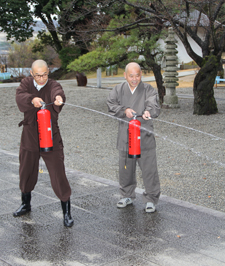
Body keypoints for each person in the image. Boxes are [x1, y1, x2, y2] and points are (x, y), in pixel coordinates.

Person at [13, 59, 74, 227]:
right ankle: (25, 203)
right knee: (26, 171)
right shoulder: (26, 83)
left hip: (51, 136)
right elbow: (20, 97)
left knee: (58, 173)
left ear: (49, 72)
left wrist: (59, 98)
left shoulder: (53, 84)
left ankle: (66, 211)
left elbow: (58, 91)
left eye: (45, 74)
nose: (41, 78)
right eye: (38, 75)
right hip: (30, 136)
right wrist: (32, 99)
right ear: (32, 74)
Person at [107, 62, 160, 213]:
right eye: (131, 75)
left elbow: (154, 104)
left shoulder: (148, 89)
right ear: (125, 75)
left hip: (144, 135)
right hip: (126, 135)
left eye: (137, 75)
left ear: (141, 75)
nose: (135, 78)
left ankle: (151, 198)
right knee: (125, 168)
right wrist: (124, 110)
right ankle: (127, 195)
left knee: (149, 169)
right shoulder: (119, 89)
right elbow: (111, 104)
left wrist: (149, 111)